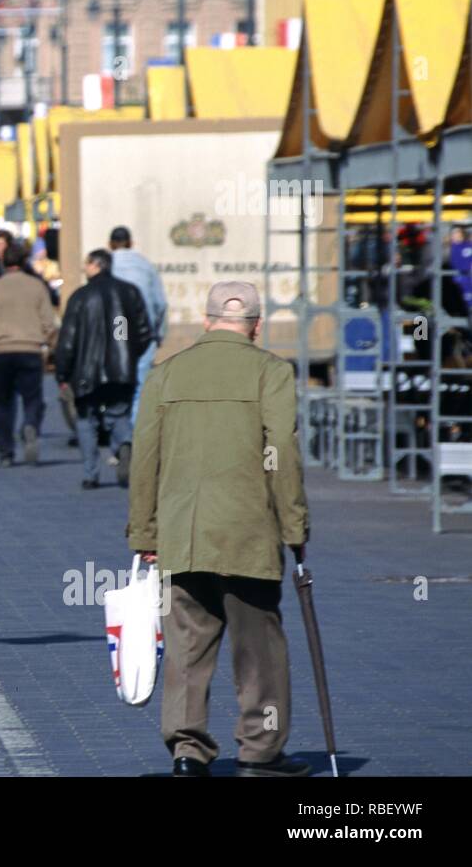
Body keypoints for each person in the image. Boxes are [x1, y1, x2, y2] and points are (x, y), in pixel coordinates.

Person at [127, 281, 311, 778]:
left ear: (206, 321)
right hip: (247, 532)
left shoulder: (166, 375)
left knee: (188, 647)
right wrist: (294, 526)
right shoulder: (272, 372)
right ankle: (260, 750)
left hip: (181, 535)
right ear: (255, 325)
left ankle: (188, 751)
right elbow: (283, 455)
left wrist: (144, 534)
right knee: (260, 650)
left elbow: (144, 459)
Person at [54, 249, 152, 489]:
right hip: (121, 370)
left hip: (86, 372)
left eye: (86, 264)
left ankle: (91, 474)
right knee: (119, 414)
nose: (84, 269)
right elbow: (144, 332)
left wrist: (63, 372)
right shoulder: (130, 292)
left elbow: (68, 339)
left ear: (96, 265)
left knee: (86, 420)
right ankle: (124, 444)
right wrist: (128, 356)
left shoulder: (80, 296)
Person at [0, 244, 58, 467]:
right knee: (32, 398)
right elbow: (49, 323)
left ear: (4, 263)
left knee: (2, 403)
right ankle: (30, 424)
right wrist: (53, 348)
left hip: (2, 352)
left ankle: (5, 452)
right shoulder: (37, 287)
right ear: (24, 262)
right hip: (31, 350)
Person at [109, 226, 169, 422]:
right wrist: (158, 334)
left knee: (116, 382)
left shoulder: (106, 266)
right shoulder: (146, 266)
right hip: (144, 334)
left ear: (110, 244)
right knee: (140, 385)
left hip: (117, 332)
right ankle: (135, 431)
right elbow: (160, 303)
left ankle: (117, 427)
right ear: (131, 243)